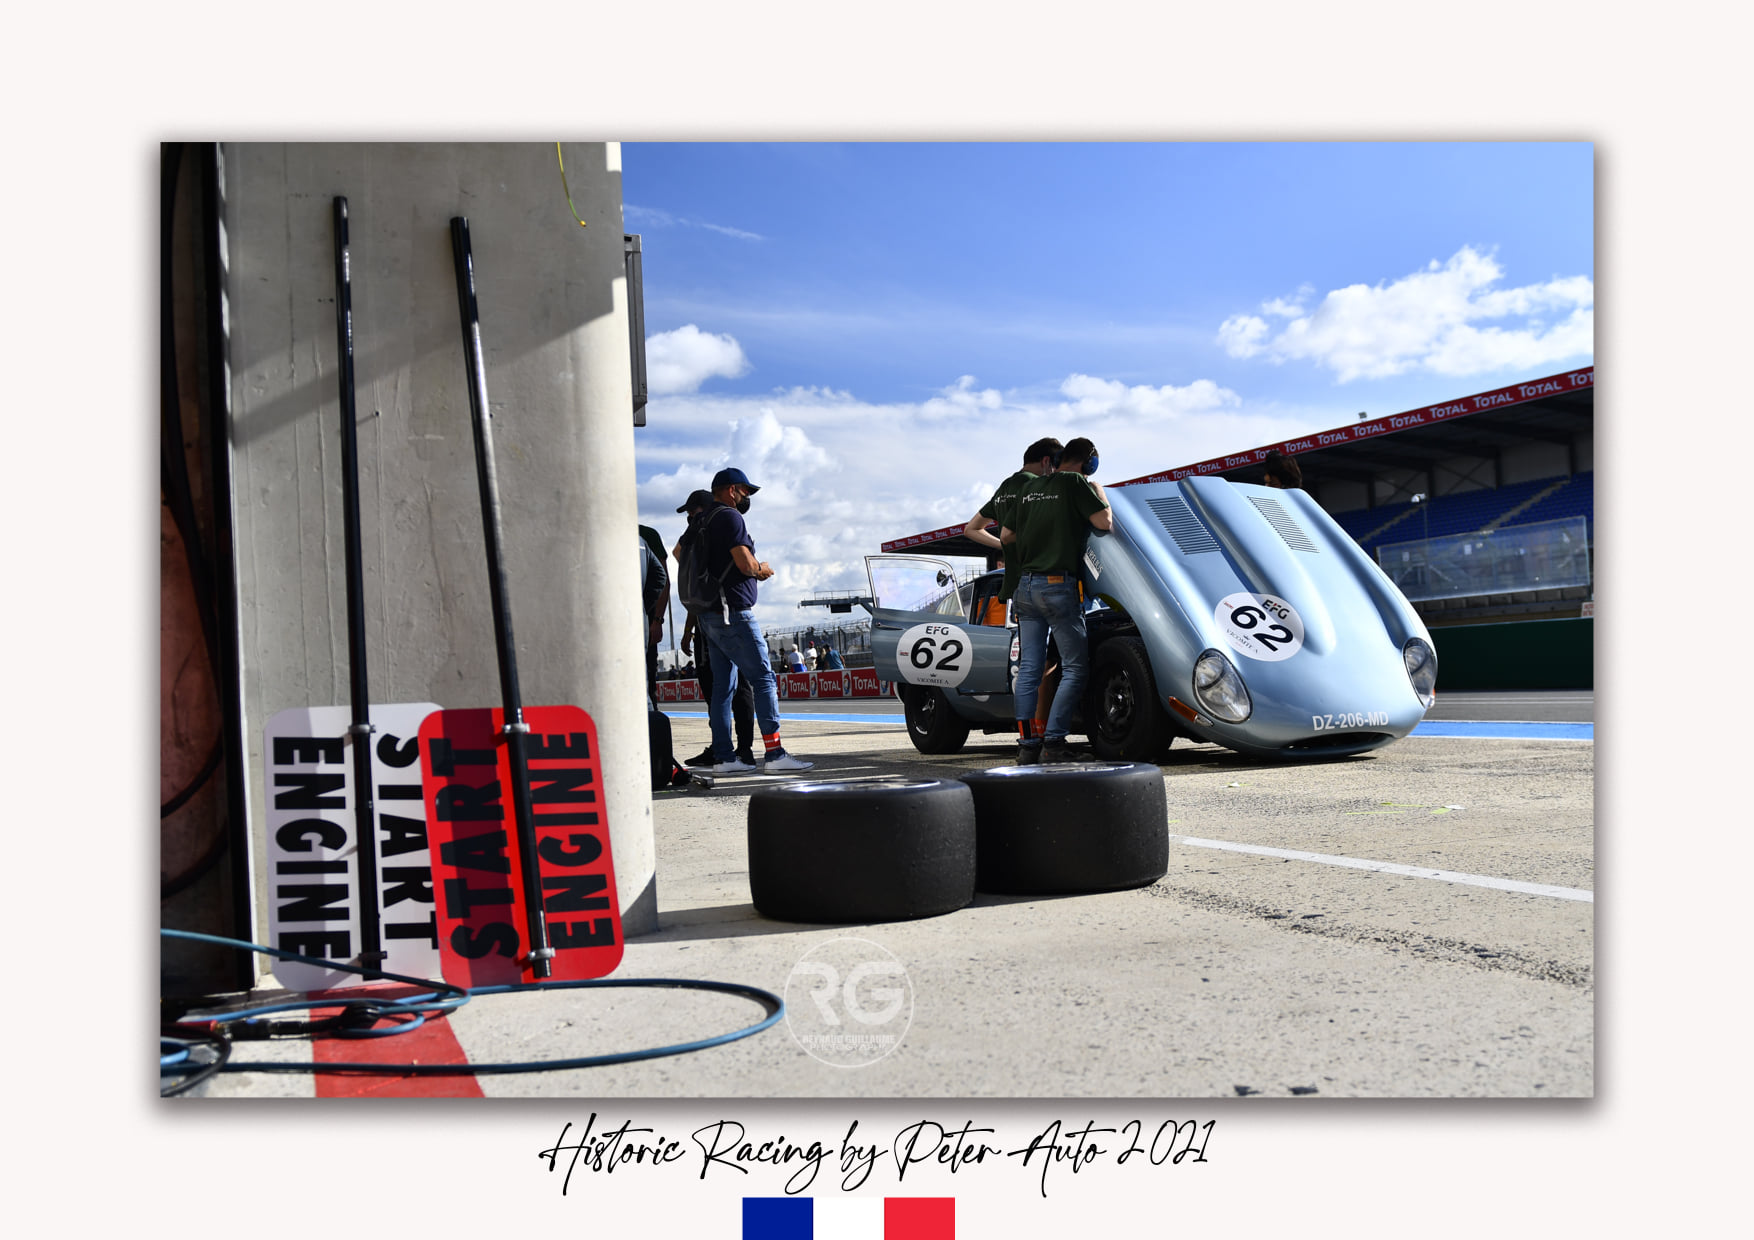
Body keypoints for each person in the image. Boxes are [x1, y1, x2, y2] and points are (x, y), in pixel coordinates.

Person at [694, 467, 813, 774]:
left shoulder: (702, 519)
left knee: (722, 688)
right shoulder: (730, 517)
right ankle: (774, 754)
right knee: (763, 679)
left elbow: (680, 552)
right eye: (745, 490)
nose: (747, 496)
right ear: (731, 489)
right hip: (733, 612)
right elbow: (745, 564)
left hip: (709, 614)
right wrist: (761, 569)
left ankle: (724, 757)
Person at [1001, 436, 1111, 764]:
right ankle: (1054, 743)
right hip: (1057, 587)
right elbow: (1104, 522)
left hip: (1025, 587)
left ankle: (1027, 746)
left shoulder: (1029, 488)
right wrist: (1100, 492)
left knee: (1029, 669)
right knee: (1075, 668)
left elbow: (1006, 535)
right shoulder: (1076, 483)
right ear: (1088, 462)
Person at [673, 489, 755, 768]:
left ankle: (741, 749)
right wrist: (688, 629)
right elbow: (697, 591)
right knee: (718, 688)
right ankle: (724, 747)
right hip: (709, 618)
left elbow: (679, 554)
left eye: (692, 512)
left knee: (735, 687)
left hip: (724, 616)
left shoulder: (712, 531)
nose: (690, 518)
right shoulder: (706, 534)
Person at [963, 436, 1062, 608]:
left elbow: (971, 529)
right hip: (1044, 580)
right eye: (1057, 466)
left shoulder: (1004, 488)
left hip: (1015, 586)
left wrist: (1004, 544)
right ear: (1046, 461)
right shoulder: (1037, 485)